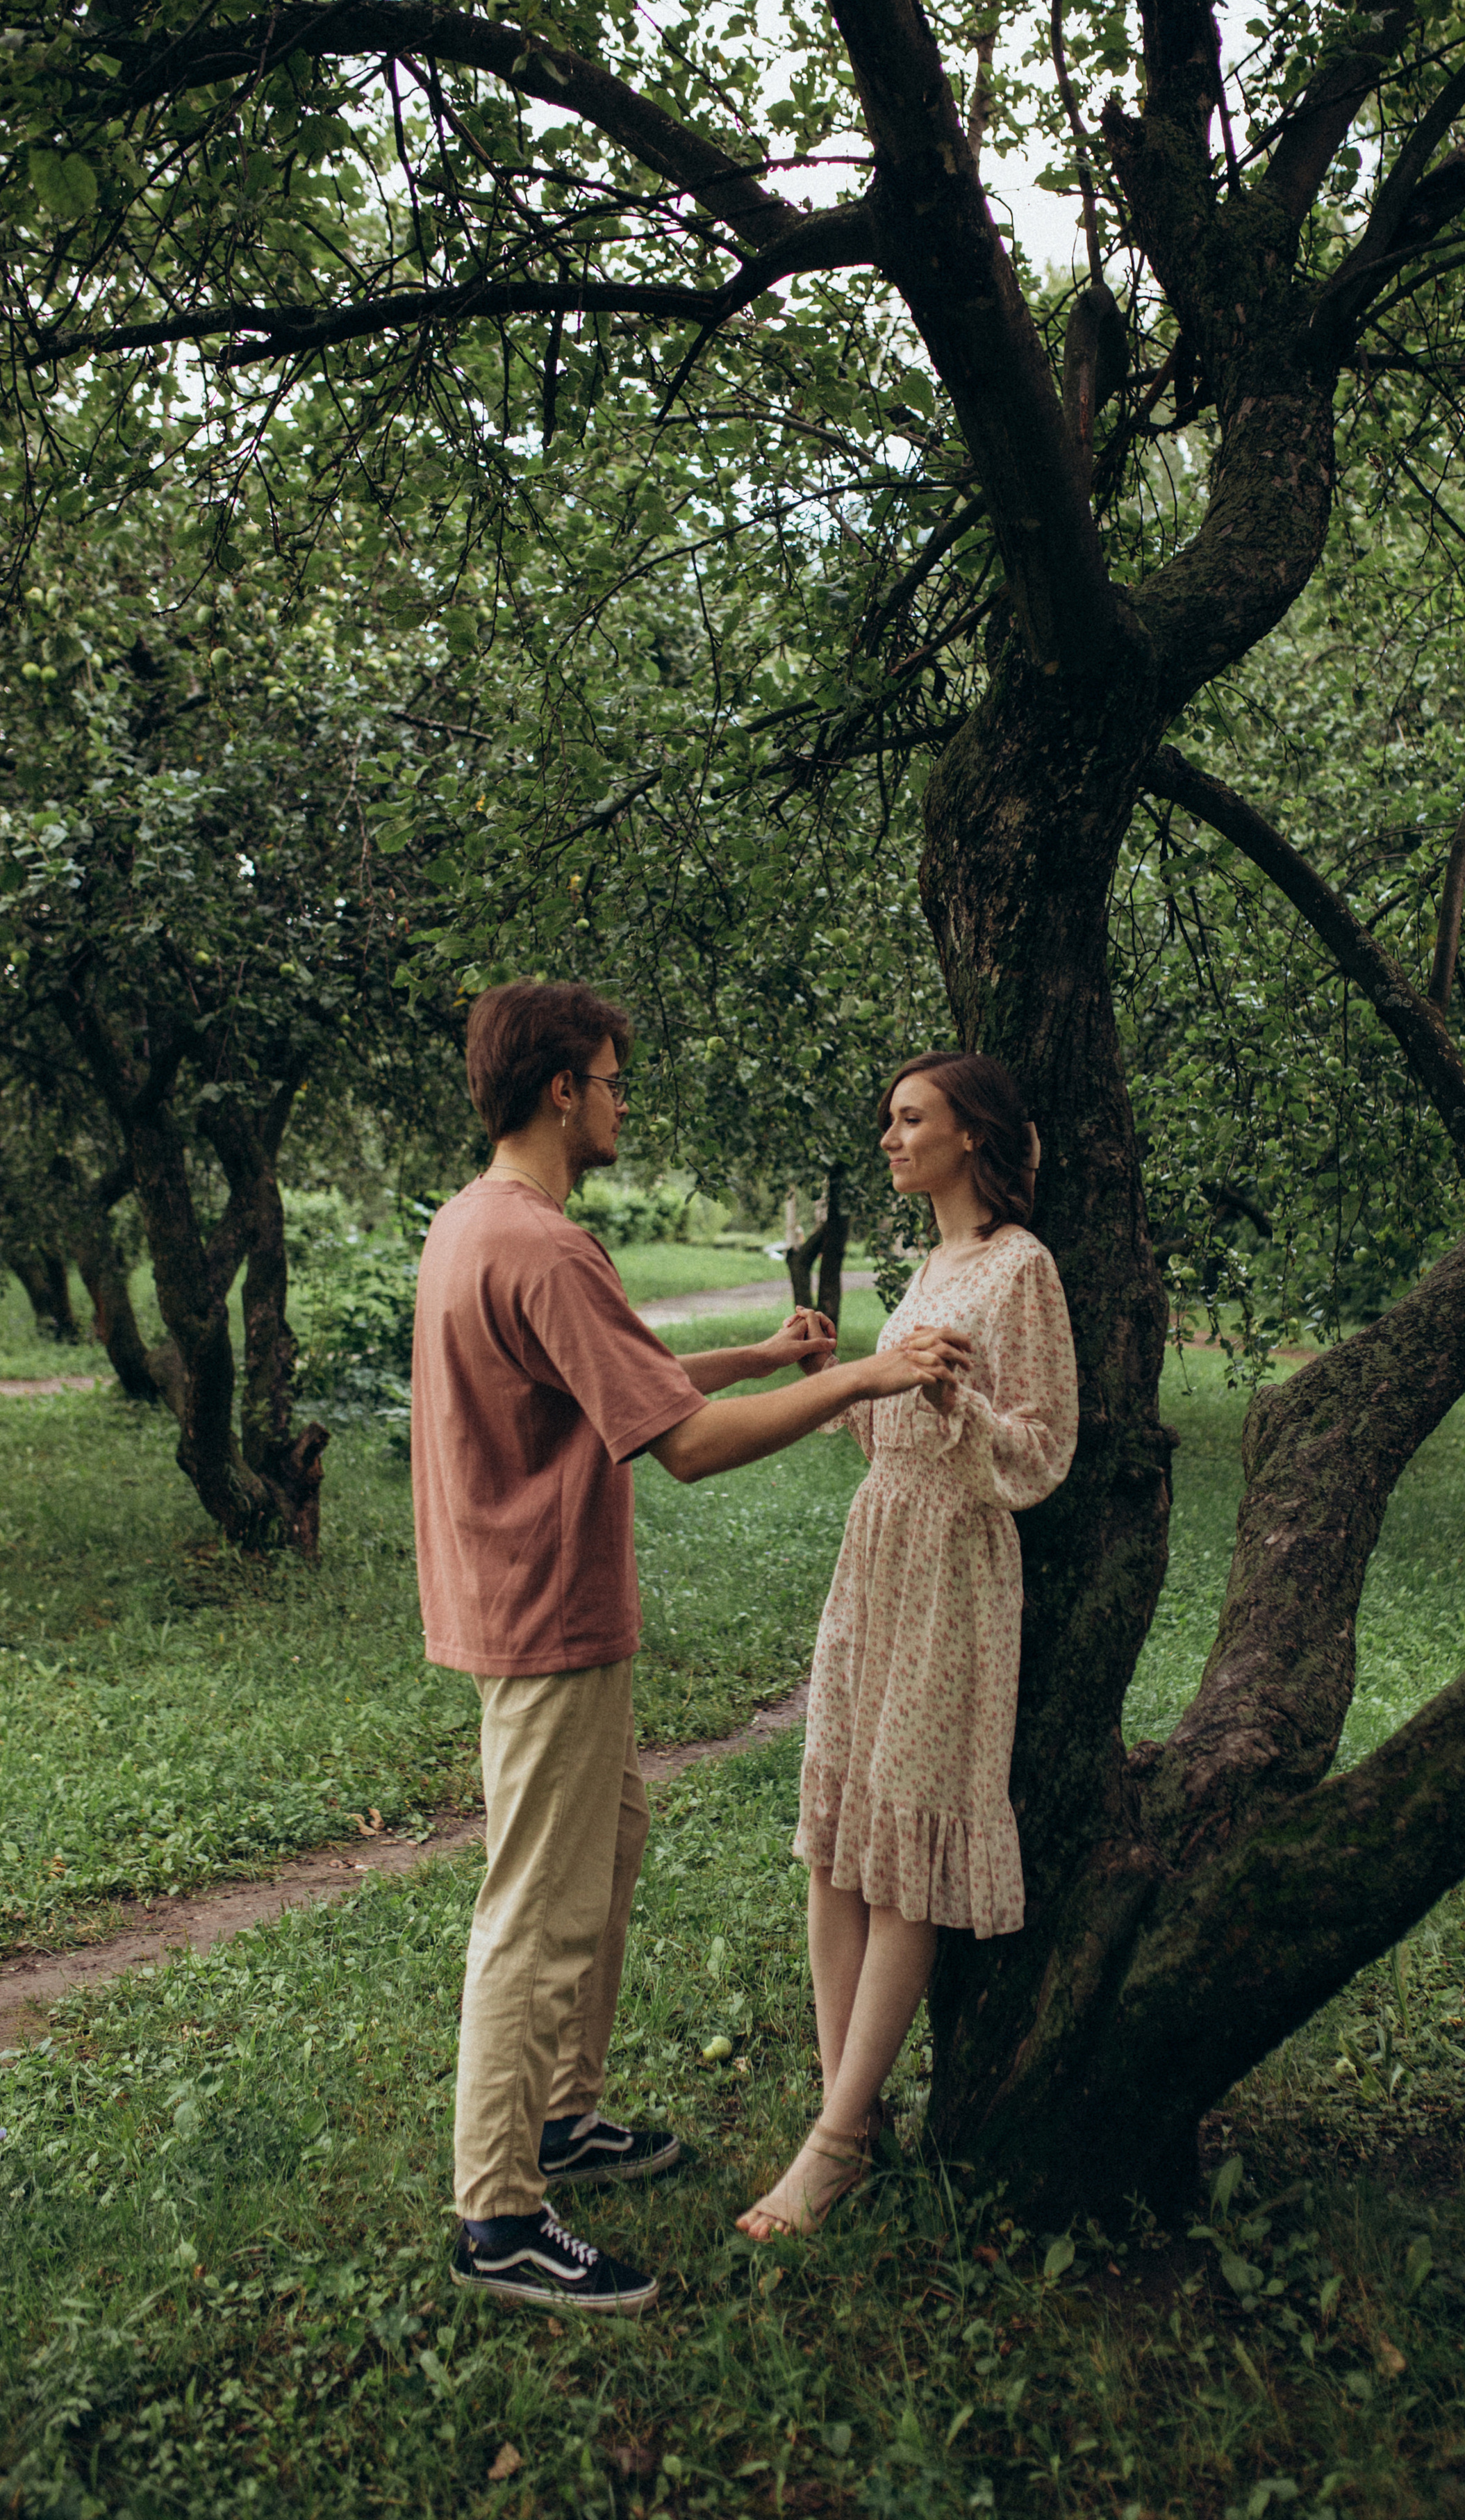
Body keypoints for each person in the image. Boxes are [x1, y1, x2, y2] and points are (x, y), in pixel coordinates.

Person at [412, 982, 970, 2316]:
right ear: (561, 1089)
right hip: (543, 1616)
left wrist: (763, 1350)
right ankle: (499, 2216)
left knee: (609, 1844)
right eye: (610, 1081)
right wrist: (852, 1378)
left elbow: (620, 1378)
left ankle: (560, 2120)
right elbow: (684, 1451)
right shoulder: (542, 1244)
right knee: (536, 1912)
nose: (620, 1102)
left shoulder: (481, 1222)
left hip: (522, 1602)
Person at [737, 1051, 1077, 2241]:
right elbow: (892, 1423)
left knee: (909, 1840)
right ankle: (856, 2118)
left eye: (909, 1118)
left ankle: (829, 2147)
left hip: (952, 1575)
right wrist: (854, 1381)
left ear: (971, 1135)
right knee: (839, 1841)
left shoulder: (1020, 1267)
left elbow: (1042, 1446)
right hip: (875, 1557)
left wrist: (956, 1410)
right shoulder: (930, 1264)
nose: (889, 1137)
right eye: (887, 1117)